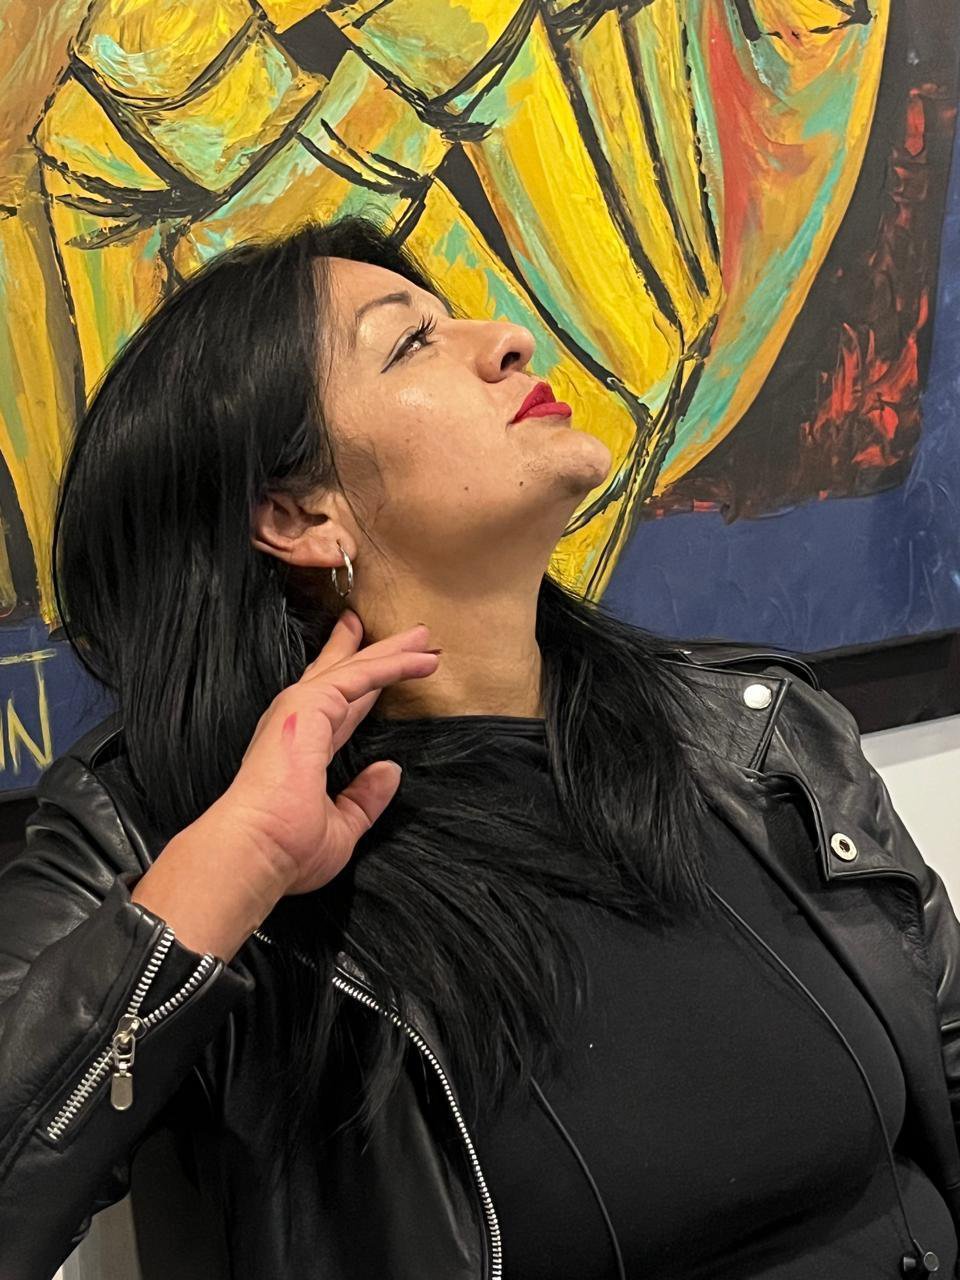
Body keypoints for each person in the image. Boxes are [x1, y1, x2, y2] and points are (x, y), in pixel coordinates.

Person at [0, 215, 957, 1280]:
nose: (509, 339)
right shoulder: (158, 828)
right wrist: (232, 870)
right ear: (300, 514)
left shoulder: (753, 733)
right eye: (411, 342)